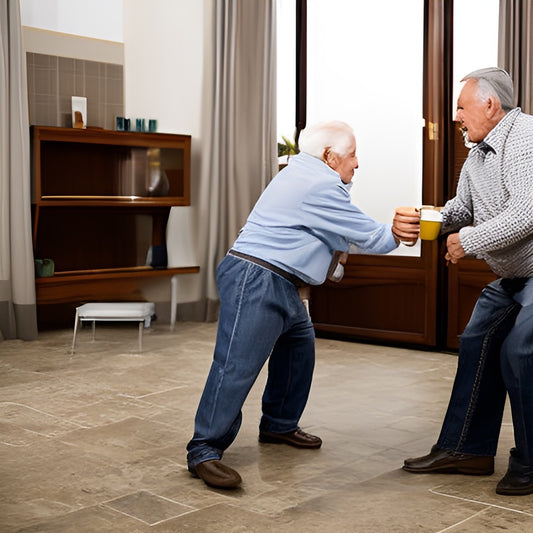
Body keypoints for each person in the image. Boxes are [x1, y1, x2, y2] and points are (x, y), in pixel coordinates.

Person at [186, 120, 420, 489]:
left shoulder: (307, 176)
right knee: (235, 366)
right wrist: (395, 232)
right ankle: (204, 449)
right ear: (329, 157)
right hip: (258, 278)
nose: (357, 163)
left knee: (298, 348)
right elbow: (367, 235)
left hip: (278, 280)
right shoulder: (319, 185)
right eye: (352, 155)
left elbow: (336, 233)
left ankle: (279, 424)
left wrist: (371, 239)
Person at [402, 68, 533, 496]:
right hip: (514, 275)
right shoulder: (477, 153)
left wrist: (469, 241)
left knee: (520, 351)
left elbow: (525, 214)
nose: (457, 116)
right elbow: (461, 208)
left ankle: (530, 463)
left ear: (491, 106)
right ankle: (467, 450)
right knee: (476, 340)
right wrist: (426, 220)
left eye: (461, 106)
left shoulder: (526, 137)